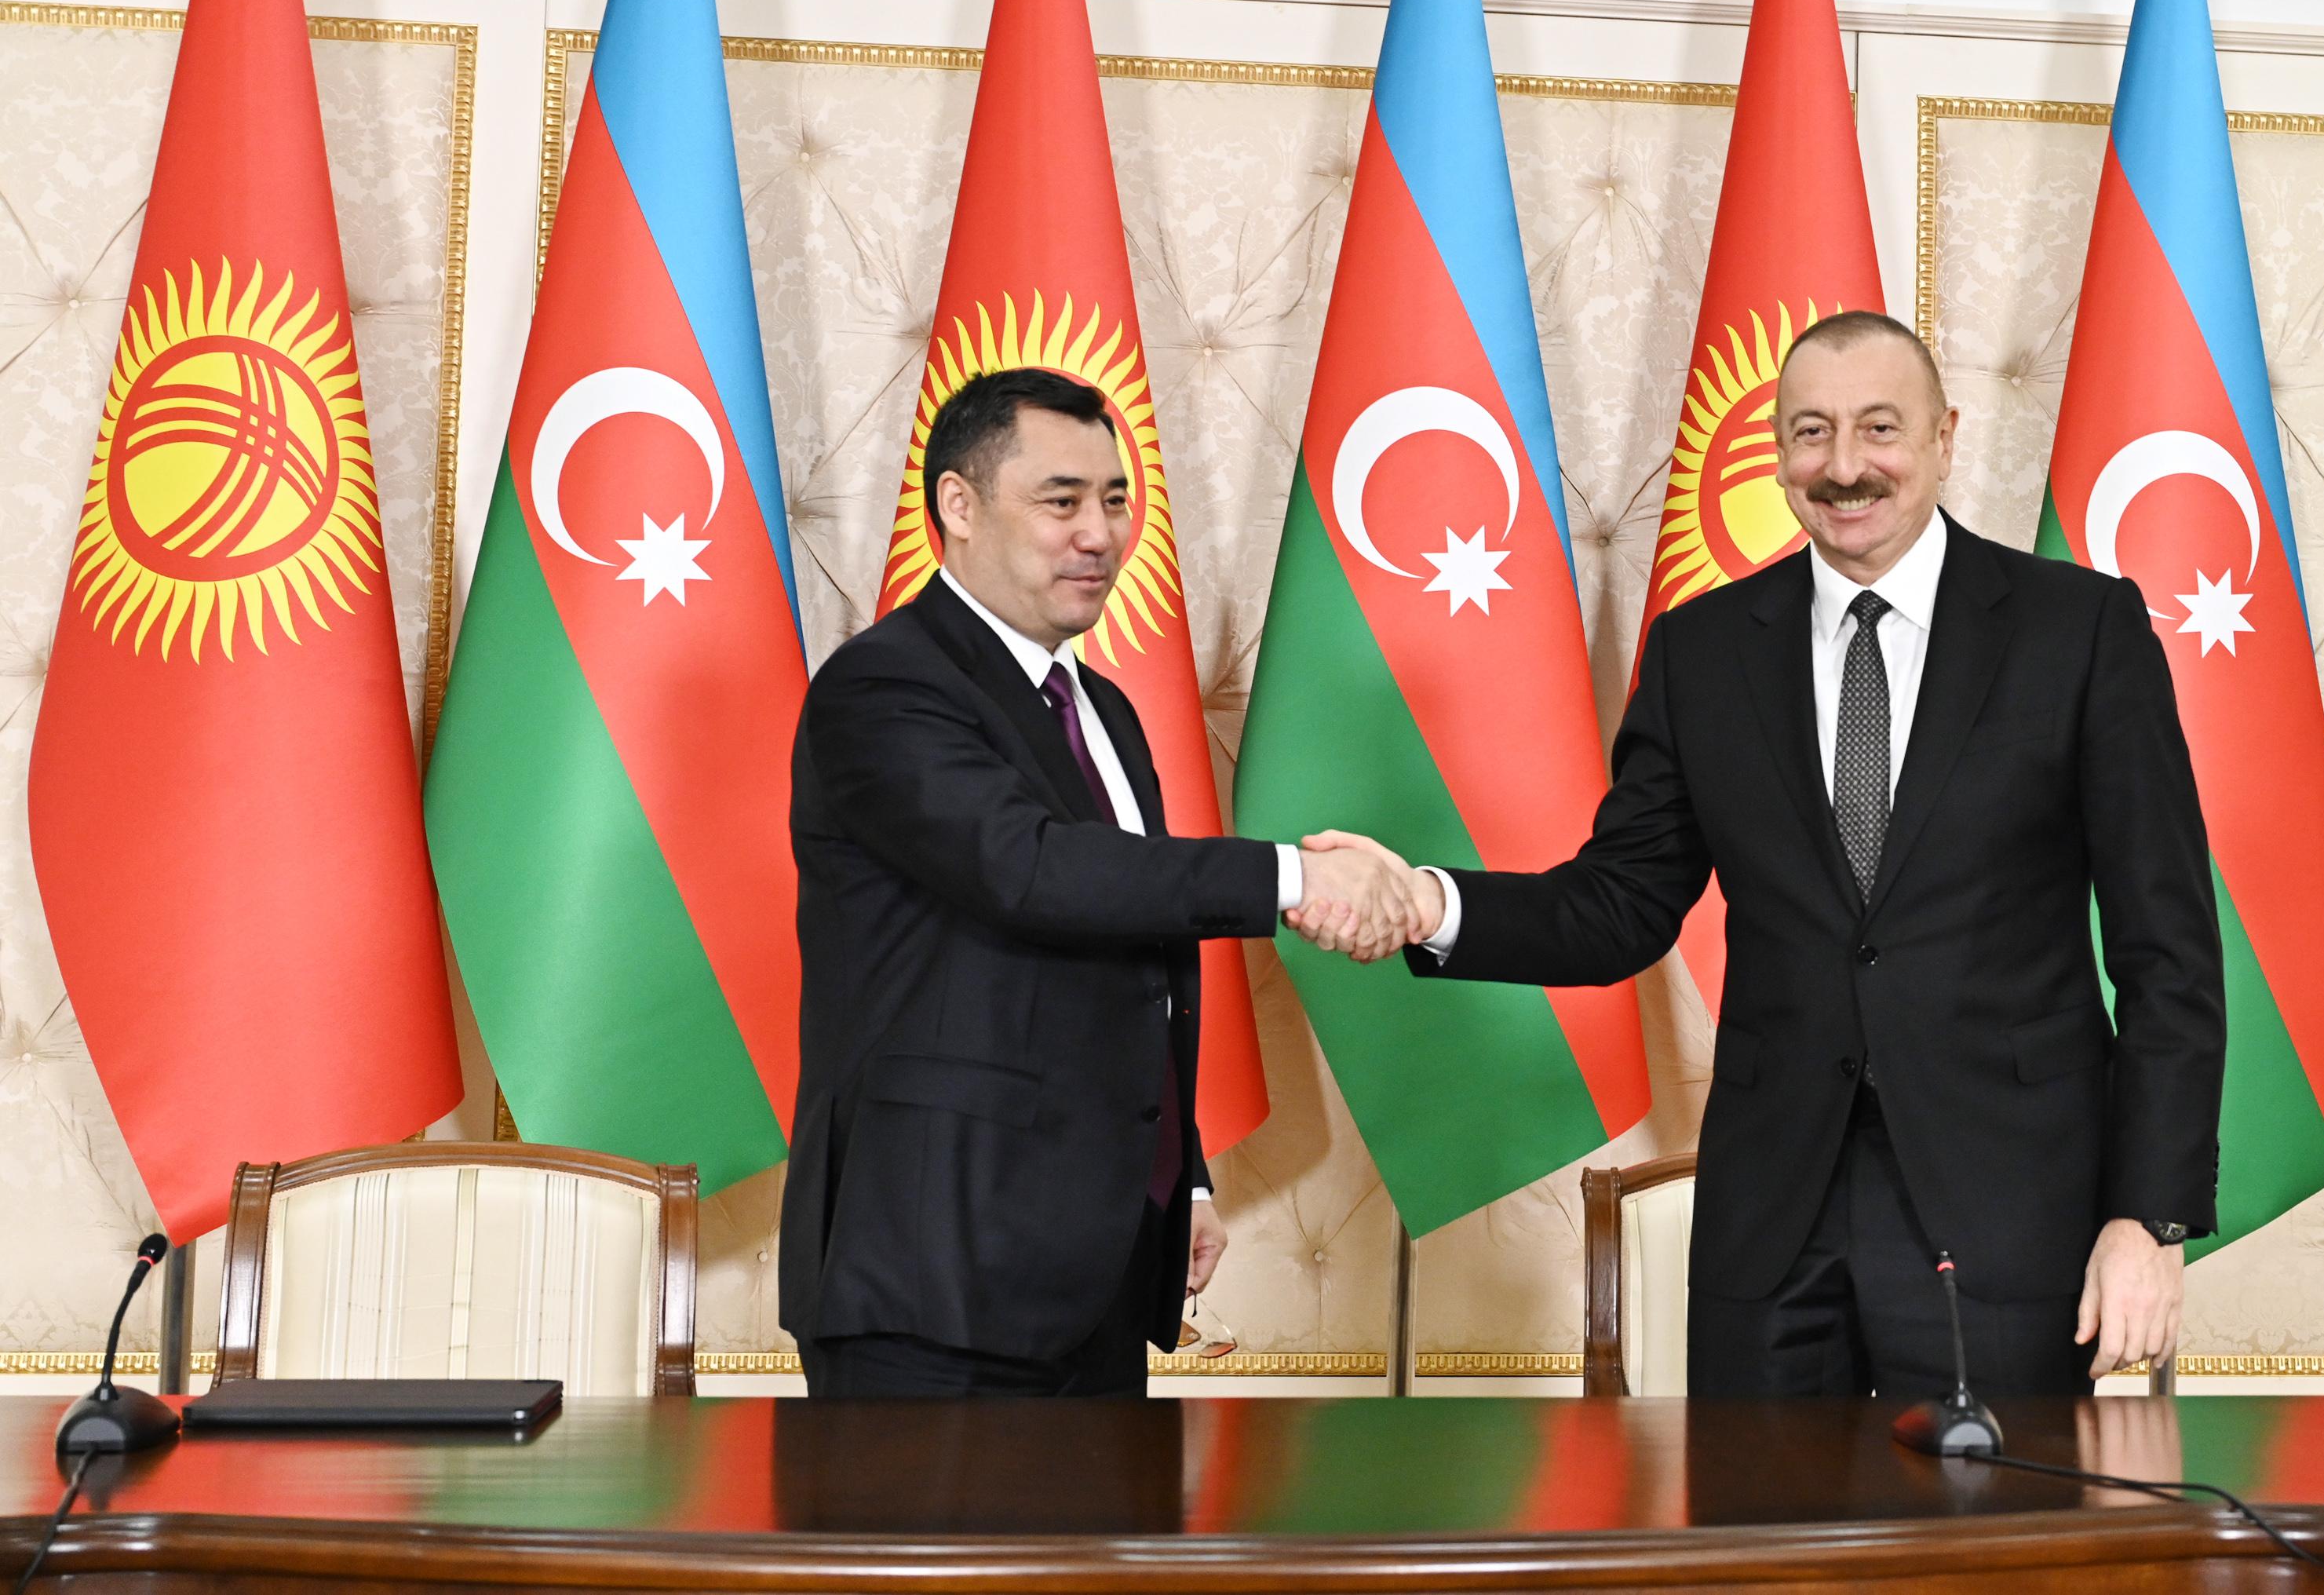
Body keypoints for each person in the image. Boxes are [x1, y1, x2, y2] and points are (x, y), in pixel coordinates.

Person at [1312, 310, 2224, 1400]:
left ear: (1944, 438)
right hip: (1774, 1221)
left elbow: (2169, 952)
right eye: (1811, 432)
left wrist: (2148, 1217)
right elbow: (1619, 904)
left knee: (1990, 1513)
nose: (1844, 467)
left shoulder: (2079, 631)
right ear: (1780, 452)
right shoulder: (1701, 651)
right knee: (1756, 1512)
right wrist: (1429, 903)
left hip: (2009, 1212)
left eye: (1880, 427)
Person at [779, 367, 1416, 1398]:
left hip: (1102, 1266)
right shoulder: (885, 684)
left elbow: (1131, 957)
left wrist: (1178, 1172)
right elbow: (1032, 870)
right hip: (933, 1279)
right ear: (959, 506)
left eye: (1116, 500)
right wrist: (1295, 876)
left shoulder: (1105, 711)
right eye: (1062, 500)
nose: (1100, 534)